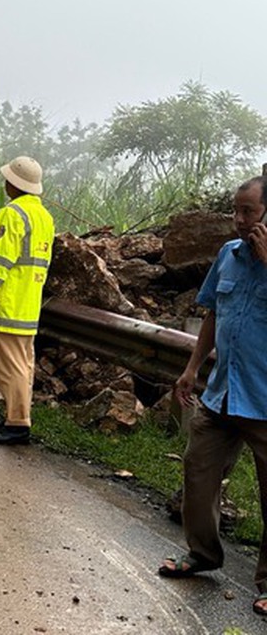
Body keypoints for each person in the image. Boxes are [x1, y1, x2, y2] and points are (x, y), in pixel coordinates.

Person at [157, 175, 267, 617]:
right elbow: (212, 315)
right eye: (235, 211)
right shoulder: (227, 255)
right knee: (197, 471)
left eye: (249, 212)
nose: (239, 220)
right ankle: (203, 554)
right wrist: (191, 368)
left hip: (264, 401)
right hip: (222, 392)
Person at [0, 156, 55, 445]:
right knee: (23, 365)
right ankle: (15, 416)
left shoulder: (12, 214)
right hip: (29, 304)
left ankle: (17, 425)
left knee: (11, 368)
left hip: (9, 303)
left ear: (14, 184)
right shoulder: (44, 216)